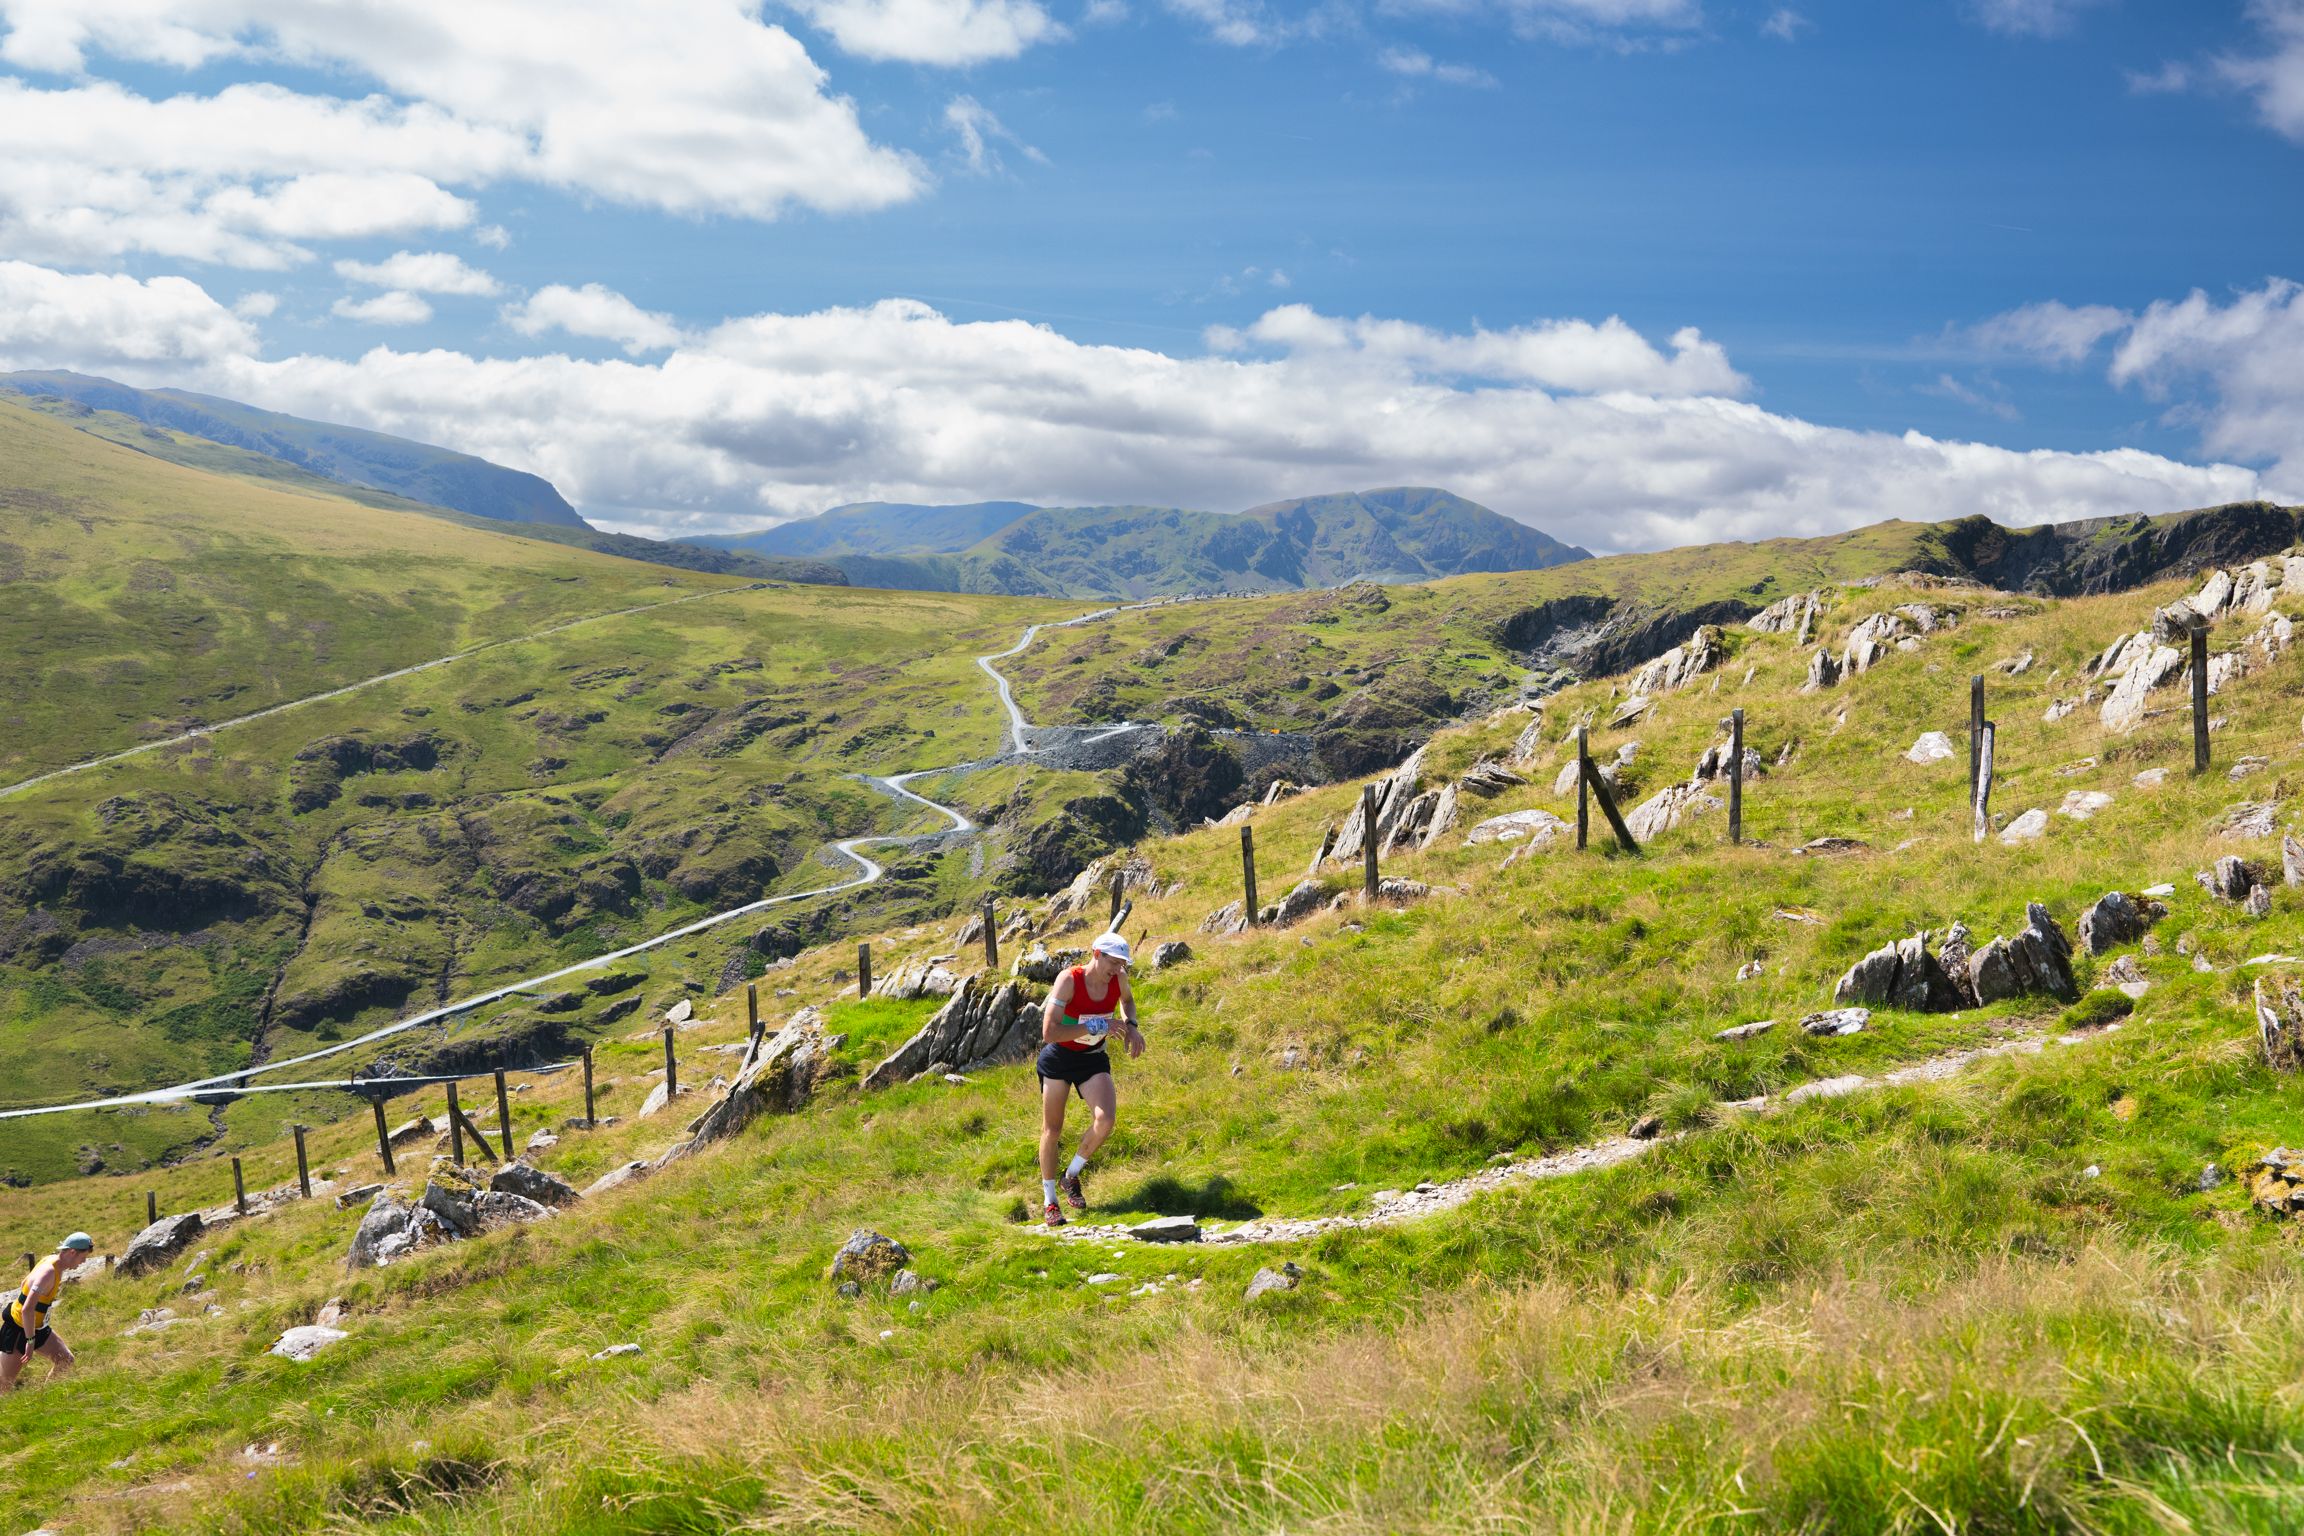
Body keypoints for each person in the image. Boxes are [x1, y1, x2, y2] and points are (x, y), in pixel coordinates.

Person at [1035, 932, 1144, 1227]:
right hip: (1059, 1057)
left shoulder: (1118, 978)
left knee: (1105, 1120)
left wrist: (1131, 1025)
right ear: (1097, 955)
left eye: (1123, 963)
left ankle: (1070, 1176)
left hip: (1092, 1057)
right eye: (1114, 961)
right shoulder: (1069, 979)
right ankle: (1050, 1203)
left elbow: (1129, 1001)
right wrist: (1098, 1024)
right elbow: (1050, 1032)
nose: (1119, 968)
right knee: (1052, 1130)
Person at [1, 1233, 93, 1390]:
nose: (84, 1261)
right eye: (83, 1257)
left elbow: (24, 1282)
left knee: (66, 1360)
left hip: (37, 1327)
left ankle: (44, 1400)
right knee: (3, 1386)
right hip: (19, 1330)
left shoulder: (51, 1261)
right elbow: (28, 1308)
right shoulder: (49, 1271)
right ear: (72, 1252)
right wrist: (30, 1341)